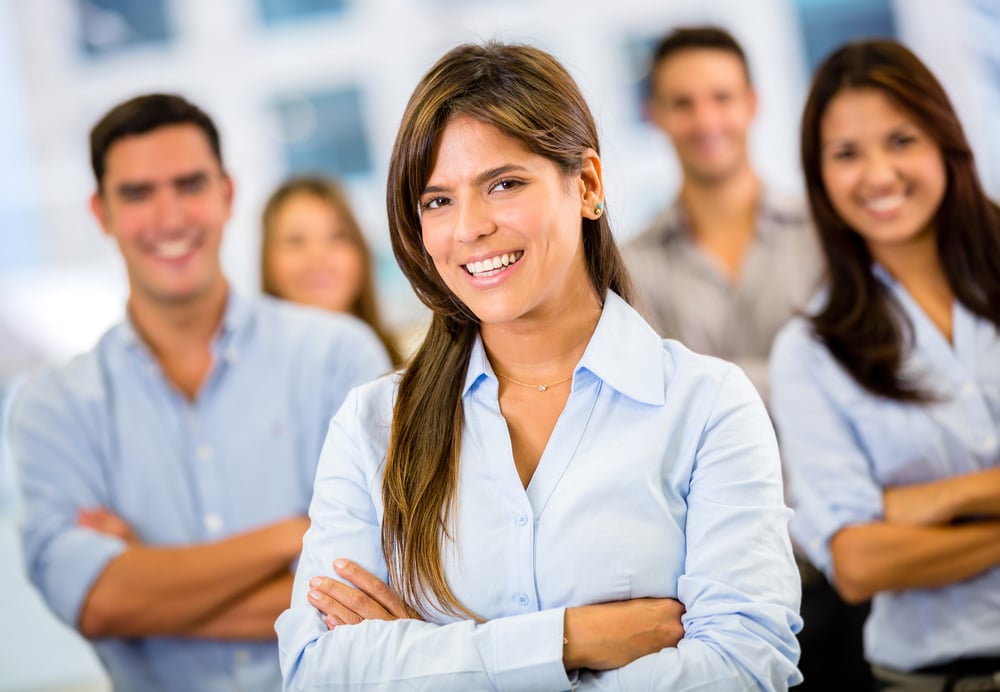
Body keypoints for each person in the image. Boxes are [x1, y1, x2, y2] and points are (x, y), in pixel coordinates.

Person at [276, 41, 802, 690]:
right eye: (438, 200)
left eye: (503, 184)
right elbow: (317, 673)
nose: (469, 227)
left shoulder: (708, 406)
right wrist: (571, 640)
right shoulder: (373, 426)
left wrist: (431, 656)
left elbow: (742, 668)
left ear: (586, 186)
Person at [7, 93, 391, 691]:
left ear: (227, 195)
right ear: (101, 212)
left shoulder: (338, 355)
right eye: (137, 194)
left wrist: (152, 589)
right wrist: (293, 534)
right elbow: (97, 603)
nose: (169, 217)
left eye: (189, 184)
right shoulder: (52, 406)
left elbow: (378, 591)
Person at [770, 39, 1000, 691]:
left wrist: (932, 501)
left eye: (900, 140)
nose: (877, 174)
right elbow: (859, 561)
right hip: (934, 678)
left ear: (943, 142)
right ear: (820, 175)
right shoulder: (812, 352)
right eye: (846, 153)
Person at [622, 26, 823, 404]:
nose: (706, 121)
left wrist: (700, 382)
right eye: (683, 103)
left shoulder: (825, 235)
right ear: (654, 115)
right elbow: (650, 398)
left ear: (752, 104)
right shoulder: (629, 266)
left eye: (721, 98)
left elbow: (848, 374)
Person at [261, 175, 404, 366]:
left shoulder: (405, 371)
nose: (317, 255)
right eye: (295, 240)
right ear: (267, 259)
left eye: (337, 236)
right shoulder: (253, 372)